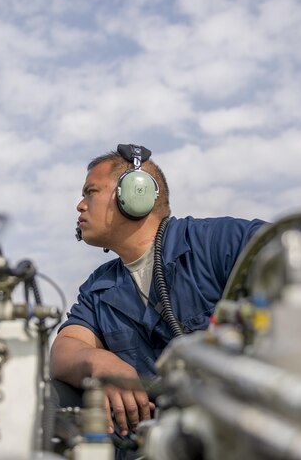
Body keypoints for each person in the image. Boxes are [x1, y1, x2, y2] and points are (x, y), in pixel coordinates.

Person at [49, 144, 265, 442]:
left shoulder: (219, 241)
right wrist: (100, 362)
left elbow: (299, 255)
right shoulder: (99, 286)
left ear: (136, 192)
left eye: (91, 192)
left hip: (238, 432)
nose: (80, 205)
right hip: (154, 442)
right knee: (50, 398)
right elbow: (64, 350)